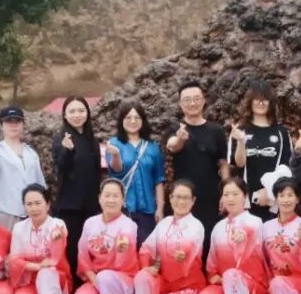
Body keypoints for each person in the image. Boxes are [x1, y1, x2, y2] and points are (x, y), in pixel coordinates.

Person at [195, 178, 268, 294]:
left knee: (232, 274)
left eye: (235, 194)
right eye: (226, 194)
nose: (230, 198)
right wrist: (213, 275)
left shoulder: (255, 222)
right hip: (226, 284)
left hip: (252, 286)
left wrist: (242, 236)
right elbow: (212, 261)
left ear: (245, 196)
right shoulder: (218, 227)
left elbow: (248, 233)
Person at [134, 180, 207, 294]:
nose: (181, 202)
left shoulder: (196, 225)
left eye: (186, 198)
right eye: (177, 197)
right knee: (142, 276)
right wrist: (147, 267)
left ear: (193, 200)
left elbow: (190, 247)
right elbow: (146, 249)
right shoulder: (164, 224)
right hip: (166, 285)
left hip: (189, 286)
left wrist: (182, 255)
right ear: (170, 198)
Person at [69, 179, 141, 294]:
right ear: (100, 198)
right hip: (95, 278)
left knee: (106, 278)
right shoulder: (90, 223)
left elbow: (125, 246)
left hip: (121, 279)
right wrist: (94, 280)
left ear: (123, 200)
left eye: (115, 196)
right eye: (107, 195)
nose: (111, 200)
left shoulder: (128, 225)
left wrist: (123, 247)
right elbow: (83, 254)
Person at [164, 82, 228, 255]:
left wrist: (226, 192)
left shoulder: (216, 131)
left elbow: (223, 164)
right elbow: (172, 146)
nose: (192, 103)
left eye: (196, 98)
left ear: (204, 100)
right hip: (182, 199)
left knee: (209, 242)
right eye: (187, 100)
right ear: (180, 104)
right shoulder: (174, 128)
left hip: (210, 197)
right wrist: (180, 139)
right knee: (183, 244)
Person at [8, 184, 72, 294]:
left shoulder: (57, 223)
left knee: (47, 273)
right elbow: (14, 259)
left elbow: (59, 241)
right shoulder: (18, 228)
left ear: (48, 204)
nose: (34, 208)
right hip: (28, 278)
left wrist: (57, 236)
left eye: (38, 203)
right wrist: (36, 266)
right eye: (29, 204)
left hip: (54, 276)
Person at [52, 95, 101, 281]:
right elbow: (61, 168)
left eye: (81, 110)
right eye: (72, 111)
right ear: (65, 114)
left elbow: (96, 173)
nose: (77, 115)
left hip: (91, 206)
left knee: (90, 249)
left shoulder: (92, 140)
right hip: (69, 206)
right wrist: (68, 150)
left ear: (87, 113)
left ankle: (87, 285)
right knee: (72, 250)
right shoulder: (61, 138)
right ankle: (71, 289)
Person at [229, 77, 292, 221]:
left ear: (271, 103)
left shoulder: (281, 132)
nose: (260, 103)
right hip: (245, 201)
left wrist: (269, 190)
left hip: (273, 203)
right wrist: (241, 141)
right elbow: (238, 164)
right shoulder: (239, 130)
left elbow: (286, 168)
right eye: (257, 99)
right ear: (250, 102)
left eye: (265, 99)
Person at [105, 101, 165, 246]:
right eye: (128, 117)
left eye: (137, 117)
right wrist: (116, 155)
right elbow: (116, 171)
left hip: (148, 210)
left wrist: (160, 209)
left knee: (146, 249)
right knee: (124, 248)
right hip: (123, 209)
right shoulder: (114, 143)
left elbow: (159, 180)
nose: (133, 121)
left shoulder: (152, 147)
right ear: (121, 120)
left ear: (143, 121)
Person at [0, 105, 46, 230]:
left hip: (32, 212)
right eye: (9, 122)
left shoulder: (30, 152)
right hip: (8, 212)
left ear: (23, 124)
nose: (13, 125)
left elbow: (41, 184)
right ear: (1, 125)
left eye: (17, 121)